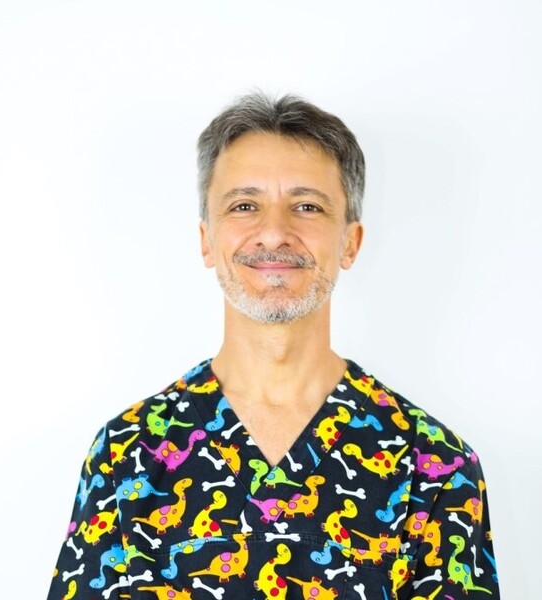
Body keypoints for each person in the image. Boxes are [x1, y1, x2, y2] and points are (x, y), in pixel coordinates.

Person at [47, 93, 500, 599]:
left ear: (350, 242)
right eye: (244, 206)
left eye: (307, 206)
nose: (274, 233)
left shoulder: (435, 468)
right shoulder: (126, 454)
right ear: (206, 239)